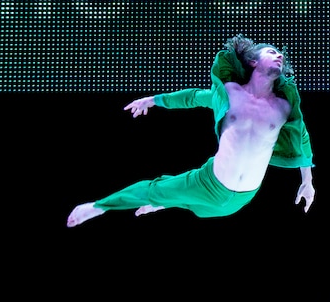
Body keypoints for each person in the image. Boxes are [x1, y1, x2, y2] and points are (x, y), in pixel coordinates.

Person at [67, 34, 315, 227]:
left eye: (280, 54)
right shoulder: (230, 94)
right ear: (253, 61)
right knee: (153, 190)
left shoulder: (283, 107)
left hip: (241, 200)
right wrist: (153, 100)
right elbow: (193, 97)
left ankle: (165, 202)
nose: (279, 56)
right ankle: (99, 207)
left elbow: (302, 141)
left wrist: (307, 182)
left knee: (194, 207)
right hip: (208, 183)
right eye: (271, 52)